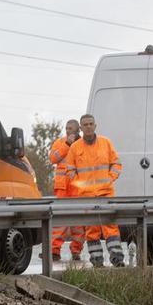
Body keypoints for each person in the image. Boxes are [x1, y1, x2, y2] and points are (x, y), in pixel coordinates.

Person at [60, 114, 125, 267]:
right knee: (92, 229)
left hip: (106, 193)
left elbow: (116, 164)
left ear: (95, 126)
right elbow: (70, 171)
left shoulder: (106, 143)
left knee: (111, 227)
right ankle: (97, 261)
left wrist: (110, 178)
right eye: (85, 125)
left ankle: (117, 259)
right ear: (81, 129)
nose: (88, 127)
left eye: (91, 124)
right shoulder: (75, 147)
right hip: (86, 196)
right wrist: (80, 185)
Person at [48, 119, 84, 263]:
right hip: (62, 189)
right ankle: (54, 252)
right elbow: (53, 158)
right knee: (59, 222)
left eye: (71, 128)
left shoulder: (83, 144)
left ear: (78, 130)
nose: (68, 130)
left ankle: (76, 251)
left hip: (77, 188)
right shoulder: (59, 142)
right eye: (66, 128)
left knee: (79, 223)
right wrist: (67, 144)